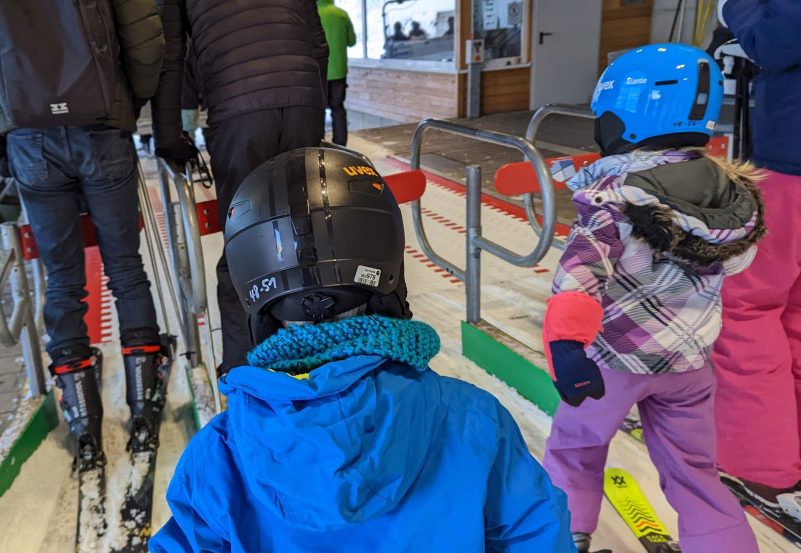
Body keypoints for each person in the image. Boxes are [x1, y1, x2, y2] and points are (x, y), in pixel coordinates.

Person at [149, 147, 576, 552]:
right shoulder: (473, 419)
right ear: (389, 278)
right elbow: (537, 534)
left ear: (257, 303)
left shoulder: (219, 456)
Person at [0, 0, 171, 468]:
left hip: (28, 136)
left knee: (62, 280)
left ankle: (85, 429)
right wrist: (128, 105)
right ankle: (145, 415)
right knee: (125, 270)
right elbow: (146, 40)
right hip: (104, 127)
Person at [541, 44, 764, 553]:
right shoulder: (727, 194)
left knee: (576, 449)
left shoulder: (615, 197)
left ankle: (562, 538)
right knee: (694, 471)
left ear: (628, 119)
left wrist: (567, 347)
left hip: (611, 362)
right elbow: (734, 264)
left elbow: (580, 275)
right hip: (689, 365)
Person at [150, 0, 329, 376]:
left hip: (238, 110)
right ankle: (317, 352)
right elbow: (317, 41)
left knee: (245, 242)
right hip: (303, 101)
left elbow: (167, 52)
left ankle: (244, 366)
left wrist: (168, 137)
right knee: (306, 234)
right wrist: (311, 105)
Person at [713, 0, 801, 519]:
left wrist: (738, 3)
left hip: (791, 156)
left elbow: (781, 33)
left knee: (749, 306)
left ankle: (763, 467)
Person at [315, 0, 356, 146]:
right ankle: (340, 145)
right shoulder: (342, 15)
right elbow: (352, 41)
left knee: (318, 110)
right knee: (337, 108)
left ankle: (319, 144)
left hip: (319, 73)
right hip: (338, 71)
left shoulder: (313, 16)